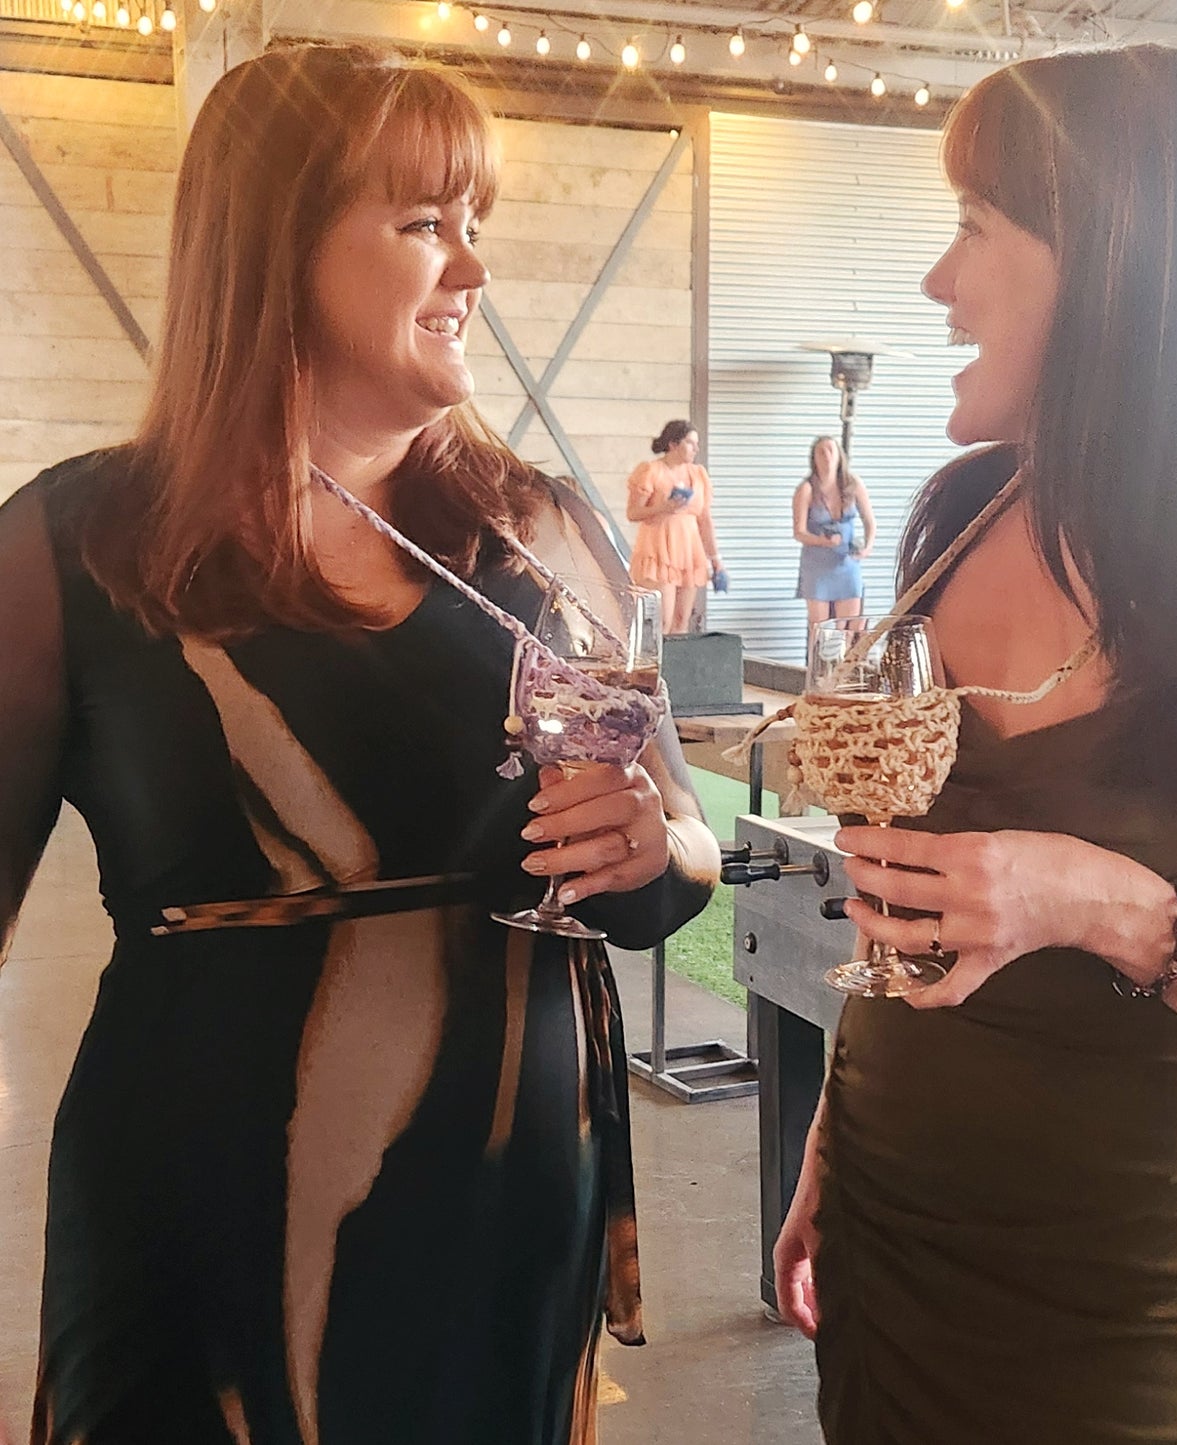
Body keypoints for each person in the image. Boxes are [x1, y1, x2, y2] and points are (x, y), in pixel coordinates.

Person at [0, 44, 720, 1445]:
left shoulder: (543, 530)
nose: (472, 271)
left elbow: (676, 858)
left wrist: (661, 839)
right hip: (208, 1239)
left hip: (516, 1209)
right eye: (422, 225)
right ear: (271, 250)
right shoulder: (78, 545)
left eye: (477, 228)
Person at [773, 44, 1177, 1445]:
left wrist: (1107, 905)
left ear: (1127, 268)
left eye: (974, 228)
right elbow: (906, 894)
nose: (935, 284)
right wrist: (836, 1138)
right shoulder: (958, 518)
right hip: (892, 1221)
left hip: (1113, 1288)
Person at [625, 419, 724, 634]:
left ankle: (675, 665)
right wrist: (663, 508)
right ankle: (654, 665)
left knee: (682, 620)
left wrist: (715, 558)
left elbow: (705, 520)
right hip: (659, 549)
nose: (695, 448)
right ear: (673, 444)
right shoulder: (651, 471)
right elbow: (633, 512)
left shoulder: (698, 475)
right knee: (663, 620)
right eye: (690, 443)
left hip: (689, 550)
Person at [794, 435, 876, 628]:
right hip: (817, 564)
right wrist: (823, 541)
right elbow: (799, 532)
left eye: (831, 450)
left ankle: (845, 658)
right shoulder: (806, 489)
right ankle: (818, 658)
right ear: (813, 459)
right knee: (819, 626)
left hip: (847, 561)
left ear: (840, 455)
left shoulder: (853, 484)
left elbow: (869, 521)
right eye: (821, 452)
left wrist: (868, 546)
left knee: (849, 625)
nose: (827, 456)